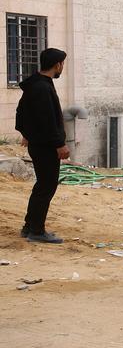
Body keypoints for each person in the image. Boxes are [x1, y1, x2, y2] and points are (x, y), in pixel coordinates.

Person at [15, 47, 70, 244]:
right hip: (46, 147)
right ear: (57, 65)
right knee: (46, 187)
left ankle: (30, 226)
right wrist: (60, 144)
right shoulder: (42, 87)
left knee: (42, 186)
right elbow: (48, 119)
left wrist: (26, 133)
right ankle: (36, 230)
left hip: (39, 143)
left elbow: (21, 113)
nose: (62, 67)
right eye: (62, 64)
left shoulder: (37, 84)